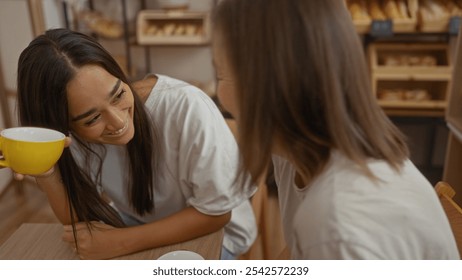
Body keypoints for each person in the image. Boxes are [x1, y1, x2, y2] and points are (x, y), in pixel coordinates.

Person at [211, 0, 460, 259]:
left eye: (220, 74)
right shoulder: (302, 153)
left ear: (269, 86)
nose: (221, 97)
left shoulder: (337, 221)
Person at [14, 28, 256, 260]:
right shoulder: (69, 137)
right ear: (61, 125)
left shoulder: (185, 106)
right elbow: (80, 223)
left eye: (118, 94)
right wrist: (47, 171)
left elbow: (216, 214)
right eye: (93, 118)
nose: (118, 121)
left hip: (216, 234)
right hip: (137, 225)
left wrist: (119, 242)